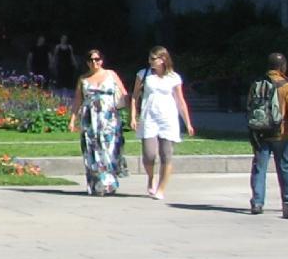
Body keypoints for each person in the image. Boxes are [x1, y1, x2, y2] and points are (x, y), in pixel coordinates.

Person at [129, 46, 194, 202]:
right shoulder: (144, 74)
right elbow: (135, 96)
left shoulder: (173, 77)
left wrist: (188, 123)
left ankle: (161, 188)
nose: (150, 61)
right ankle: (151, 177)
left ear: (163, 59)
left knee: (166, 155)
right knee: (149, 155)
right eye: (149, 58)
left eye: (153, 59)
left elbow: (180, 100)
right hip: (149, 118)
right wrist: (133, 116)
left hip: (168, 119)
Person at [247, 52, 288, 215]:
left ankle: (257, 202)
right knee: (284, 166)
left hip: (260, 134)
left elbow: (250, 107)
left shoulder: (257, 84)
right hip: (281, 134)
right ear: (282, 67)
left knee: (259, 168)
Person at [66, 48, 128, 195]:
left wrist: (132, 115)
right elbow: (78, 100)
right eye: (91, 60)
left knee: (109, 148)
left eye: (97, 59)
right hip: (90, 119)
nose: (94, 62)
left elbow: (124, 94)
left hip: (109, 118)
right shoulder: (83, 79)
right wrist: (72, 119)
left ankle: (109, 182)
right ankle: (98, 184)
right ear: (87, 62)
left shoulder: (110, 74)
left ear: (102, 60)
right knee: (92, 150)